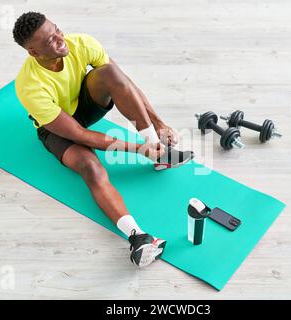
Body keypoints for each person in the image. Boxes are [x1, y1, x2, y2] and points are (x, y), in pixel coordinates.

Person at [13, 12, 194, 268]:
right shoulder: (29, 86)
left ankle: (159, 152)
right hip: (58, 129)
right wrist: (139, 149)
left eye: (57, 31)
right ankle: (138, 237)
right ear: (34, 53)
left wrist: (158, 124)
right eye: (50, 41)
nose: (59, 40)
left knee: (109, 72)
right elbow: (79, 135)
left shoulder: (81, 43)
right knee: (91, 168)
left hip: (84, 105)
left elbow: (123, 83)